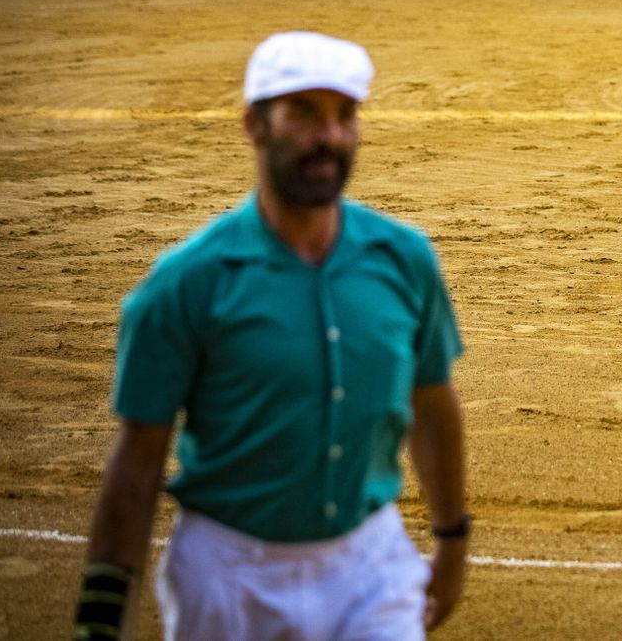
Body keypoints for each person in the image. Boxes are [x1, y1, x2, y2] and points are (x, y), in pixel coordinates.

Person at [74, 33, 467, 641]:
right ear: (254, 125)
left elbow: (433, 404)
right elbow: (138, 459)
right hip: (230, 579)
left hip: (372, 566)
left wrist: (451, 541)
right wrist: (99, 624)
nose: (328, 136)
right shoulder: (185, 284)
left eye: (344, 115)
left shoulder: (406, 259)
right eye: (303, 112)